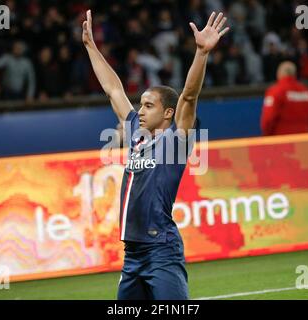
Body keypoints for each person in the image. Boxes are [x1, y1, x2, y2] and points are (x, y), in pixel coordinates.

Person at [82, 10, 229, 300]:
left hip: (161, 250)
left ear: (168, 113)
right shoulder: (136, 129)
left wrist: (201, 53)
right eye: (141, 104)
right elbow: (113, 89)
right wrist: (91, 47)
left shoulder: (177, 139)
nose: (140, 110)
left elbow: (188, 96)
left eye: (149, 105)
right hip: (132, 254)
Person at [260, 61, 308, 136]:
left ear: (279, 74)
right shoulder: (306, 92)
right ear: (294, 74)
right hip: (303, 138)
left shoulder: (275, 91)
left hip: (282, 139)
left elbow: (268, 119)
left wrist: (267, 135)